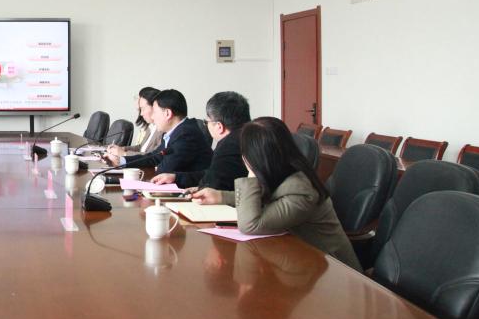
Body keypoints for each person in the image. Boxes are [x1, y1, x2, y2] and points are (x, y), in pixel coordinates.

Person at [192, 117, 362, 271]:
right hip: (298, 260)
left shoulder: (300, 190)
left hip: (334, 272)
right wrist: (220, 196)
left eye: (246, 153)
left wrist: (252, 173)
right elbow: (265, 198)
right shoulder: (281, 172)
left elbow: (250, 225)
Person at [150, 91, 250, 193]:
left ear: (219, 127)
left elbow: (213, 185)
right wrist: (176, 177)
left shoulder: (229, 146)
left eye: (206, 122)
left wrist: (200, 188)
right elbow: (211, 174)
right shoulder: (248, 137)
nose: (206, 126)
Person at [105, 89, 212, 174]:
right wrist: (120, 161)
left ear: (167, 114)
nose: (153, 117)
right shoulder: (174, 131)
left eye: (155, 112)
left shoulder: (186, 134)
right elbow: (154, 157)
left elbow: (165, 169)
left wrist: (158, 166)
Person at [106, 87, 162, 162]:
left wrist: (124, 153)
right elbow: (141, 147)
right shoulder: (151, 126)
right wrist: (123, 149)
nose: (141, 114)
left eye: (143, 109)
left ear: (155, 107)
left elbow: (152, 156)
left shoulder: (163, 130)